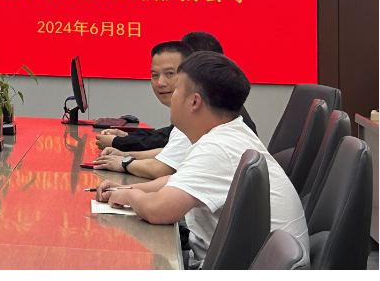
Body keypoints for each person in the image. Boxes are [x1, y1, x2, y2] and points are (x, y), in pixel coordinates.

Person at [94, 51, 308, 268]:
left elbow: (159, 210)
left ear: (194, 101)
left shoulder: (217, 147)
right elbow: (177, 181)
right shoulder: (231, 132)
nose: (172, 95)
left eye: (177, 88)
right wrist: (126, 189)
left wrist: (128, 197)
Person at [93, 41, 193, 179]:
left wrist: (123, 162)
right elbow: (169, 151)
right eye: (155, 75)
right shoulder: (182, 119)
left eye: (169, 73)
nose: (160, 83)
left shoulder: (194, 118)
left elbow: (162, 169)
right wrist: (125, 154)